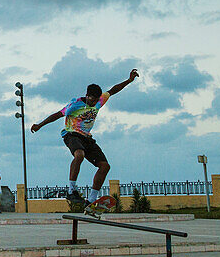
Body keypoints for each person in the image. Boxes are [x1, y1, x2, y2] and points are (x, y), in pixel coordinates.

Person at [31, 69, 140, 206]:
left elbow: (113, 90)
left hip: (87, 138)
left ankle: (91, 200)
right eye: (92, 100)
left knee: (105, 166)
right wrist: (40, 125)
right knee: (79, 154)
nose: (94, 103)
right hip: (72, 134)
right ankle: (71, 191)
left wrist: (129, 80)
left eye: (96, 100)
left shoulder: (100, 100)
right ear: (87, 95)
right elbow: (57, 114)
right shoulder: (75, 104)